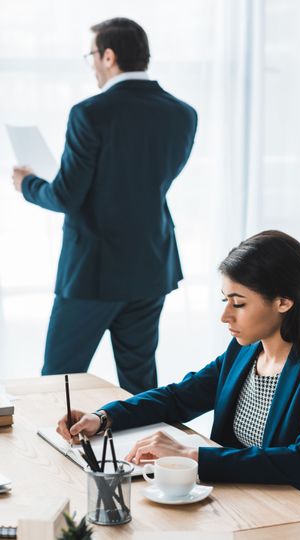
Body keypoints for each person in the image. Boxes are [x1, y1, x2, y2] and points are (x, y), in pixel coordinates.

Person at [56, 230, 300, 522]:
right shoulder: (244, 351)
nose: (225, 315)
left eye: (238, 303)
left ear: (283, 302)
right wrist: (103, 418)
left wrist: (192, 455)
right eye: (224, 300)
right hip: (248, 505)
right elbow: (177, 398)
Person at [12, 18, 197, 394]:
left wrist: (27, 184)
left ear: (108, 56)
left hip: (92, 271)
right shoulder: (183, 113)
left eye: (91, 55)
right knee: (140, 383)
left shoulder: (90, 113)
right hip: (151, 265)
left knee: (57, 381)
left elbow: (66, 196)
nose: (92, 65)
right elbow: (147, 183)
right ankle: (143, 453)